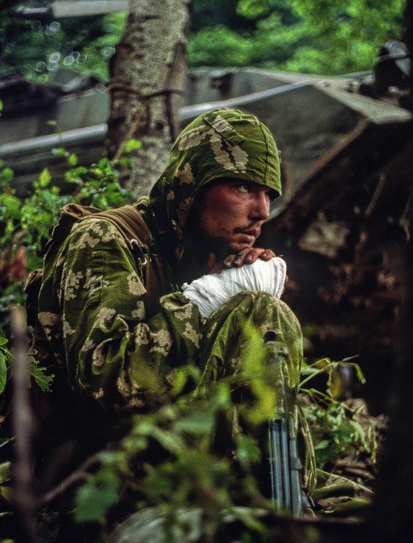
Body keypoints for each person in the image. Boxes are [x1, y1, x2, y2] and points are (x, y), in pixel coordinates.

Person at [35, 108, 303, 445]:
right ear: (192, 185)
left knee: (355, 497)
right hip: (99, 470)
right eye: (244, 187)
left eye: (269, 195)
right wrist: (210, 297)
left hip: (182, 453)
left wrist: (229, 286)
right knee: (261, 310)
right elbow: (102, 386)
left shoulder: (197, 253)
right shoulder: (106, 239)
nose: (262, 212)